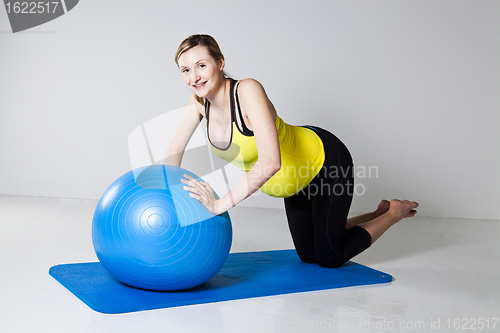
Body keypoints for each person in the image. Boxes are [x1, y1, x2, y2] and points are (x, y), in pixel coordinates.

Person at [164, 34, 418, 268]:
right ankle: (377, 211)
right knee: (308, 255)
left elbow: (271, 162)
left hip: (323, 162)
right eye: (185, 70)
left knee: (329, 257)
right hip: (295, 183)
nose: (194, 77)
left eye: (201, 65)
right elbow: (176, 147)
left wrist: (220, 204)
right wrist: (163, 191)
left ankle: (394, 212)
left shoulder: (247, 91)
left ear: (219, 63)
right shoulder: (199, 103)